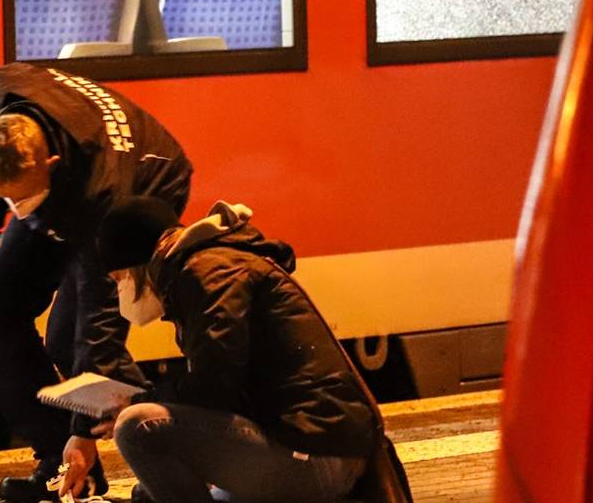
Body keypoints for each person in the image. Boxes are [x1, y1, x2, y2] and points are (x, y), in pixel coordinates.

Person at [0, 63, 192, 503]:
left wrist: (84, 432)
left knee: (72, 343)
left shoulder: (104, 191)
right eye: (10, 197)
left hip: (147, 183)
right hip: (64, 189)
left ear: (49, 161)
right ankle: (59, 468)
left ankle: (177, 450)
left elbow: (100, 319)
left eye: (23, 198)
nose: (20, 212)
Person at [94, 199, 408, 503]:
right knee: (155, 491)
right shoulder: (210, 266)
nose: (121, 290)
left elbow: (213, 387)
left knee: (137, 426)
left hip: (313, 454)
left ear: (139, 264)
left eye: (120, 278)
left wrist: (139, 402)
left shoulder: (208, 272)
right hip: (318, 445)